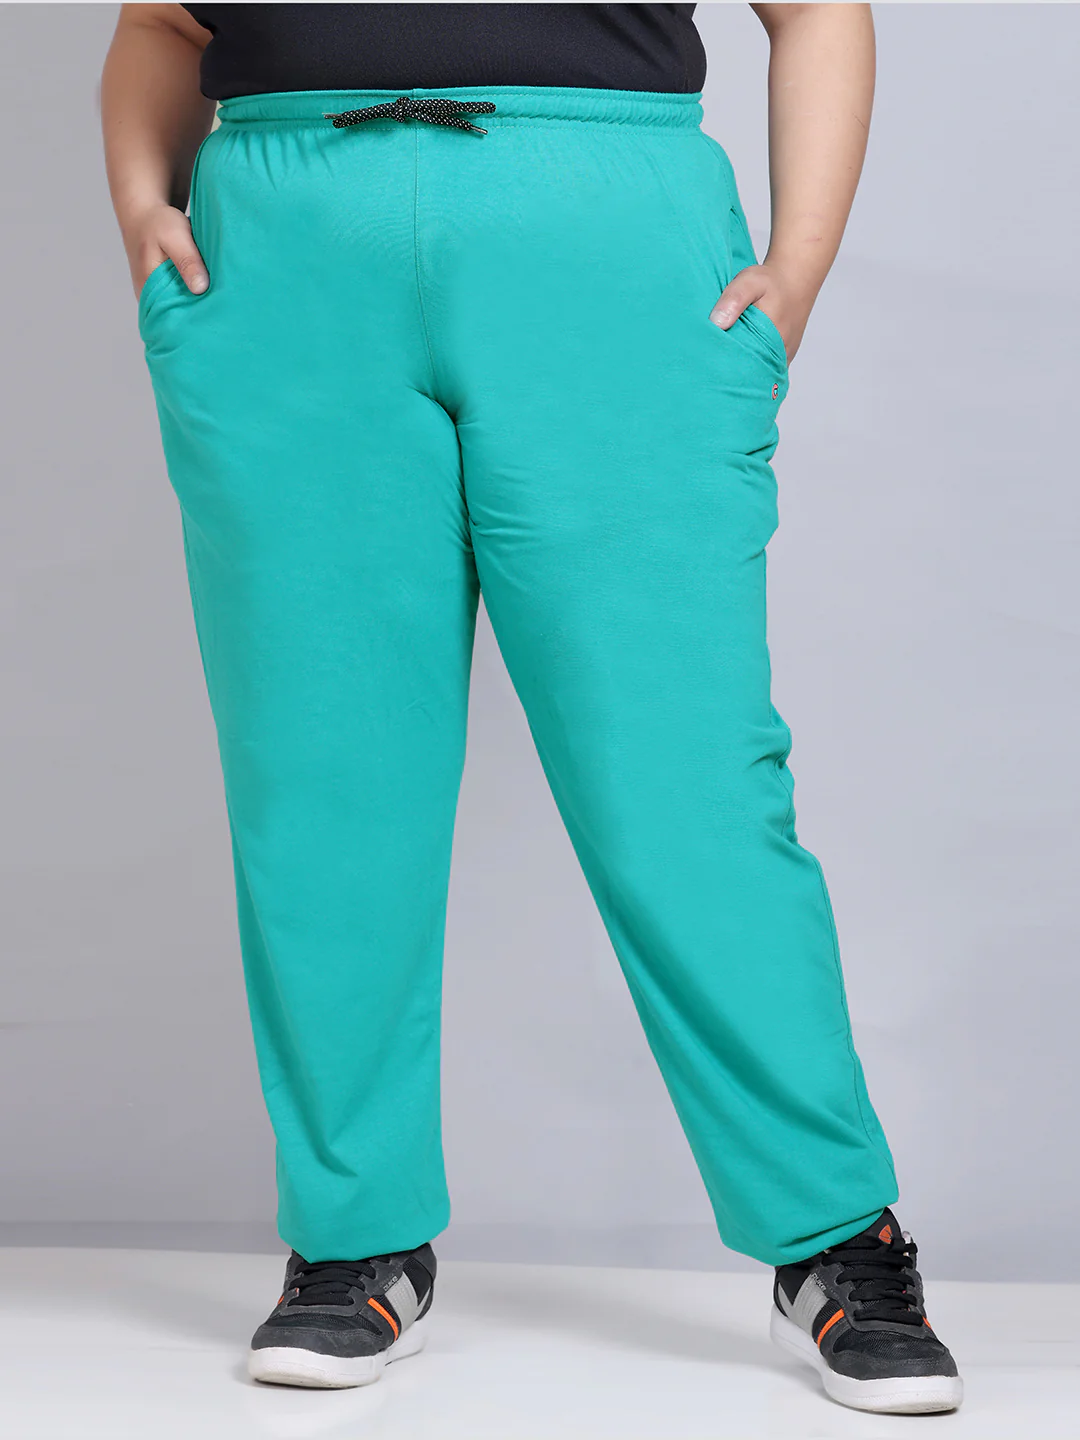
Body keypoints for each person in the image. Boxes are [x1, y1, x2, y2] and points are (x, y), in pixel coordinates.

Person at [101, 2, 962, 1414]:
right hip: (285, 267)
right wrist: (145, 206)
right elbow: (159, 23)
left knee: (685, 779)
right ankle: (354, 1237)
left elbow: (815, 8)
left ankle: (834, 1234)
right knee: (321, 778)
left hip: (603, 246)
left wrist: (799, 267)